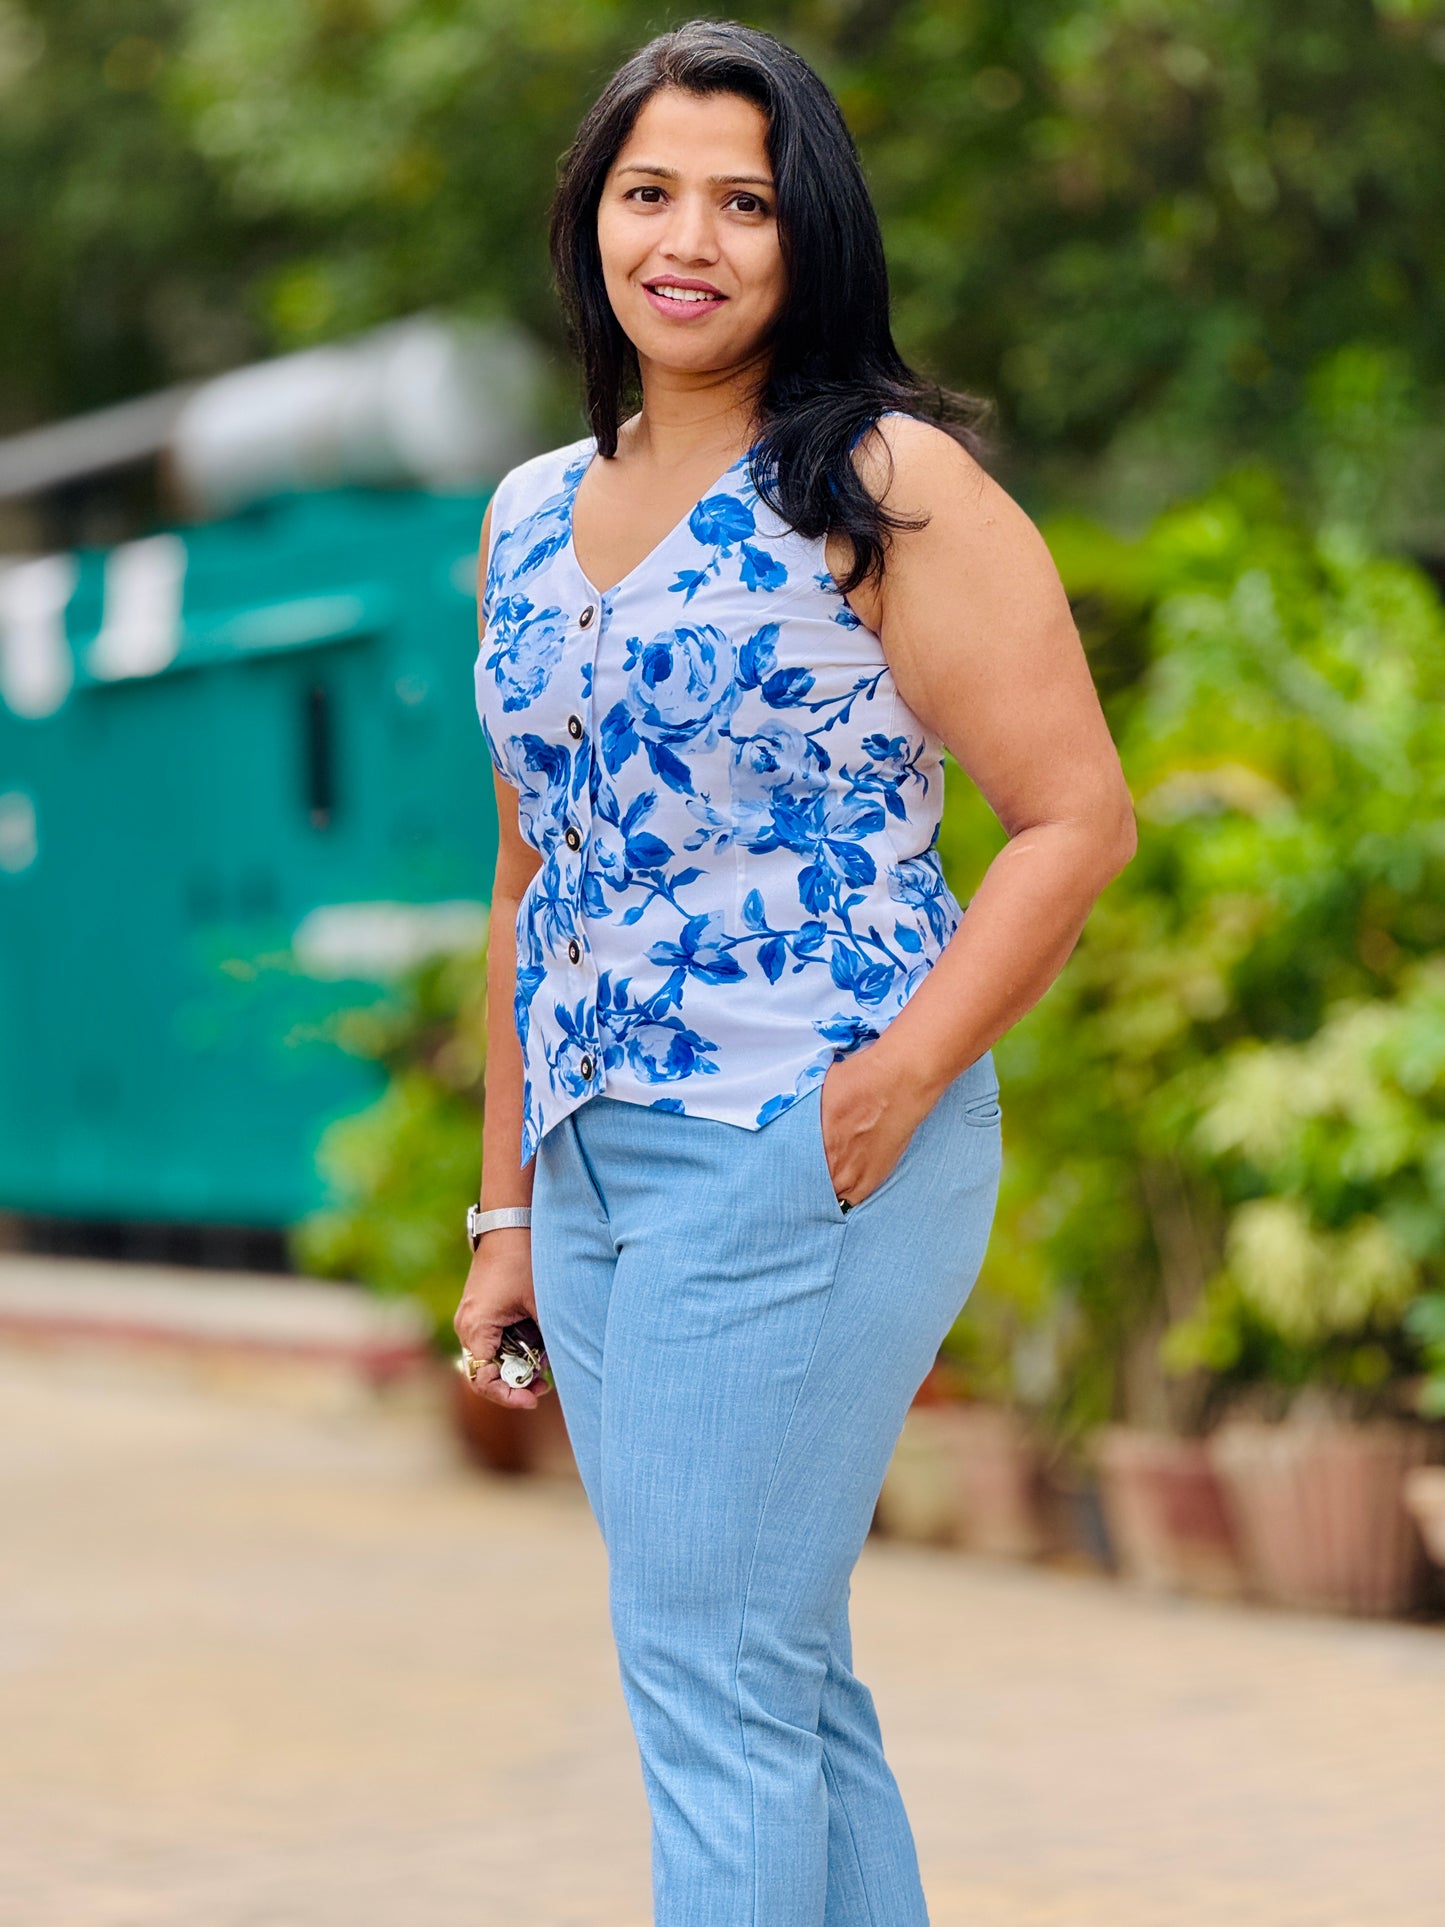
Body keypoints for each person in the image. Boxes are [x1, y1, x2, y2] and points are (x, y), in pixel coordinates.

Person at [455, 19, 1135, 1924]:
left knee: (714, 1678)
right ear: (592, 219)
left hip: (805, 1140)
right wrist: (503, 1205)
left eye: (742, 200)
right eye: (647, 190)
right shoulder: (522, 516)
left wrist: (895, 1081)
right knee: (774, 1669)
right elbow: (528, 881)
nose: (689, 237)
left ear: (804, 233)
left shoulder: (878, 481)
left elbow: (1073, 817)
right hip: (594, 1174)